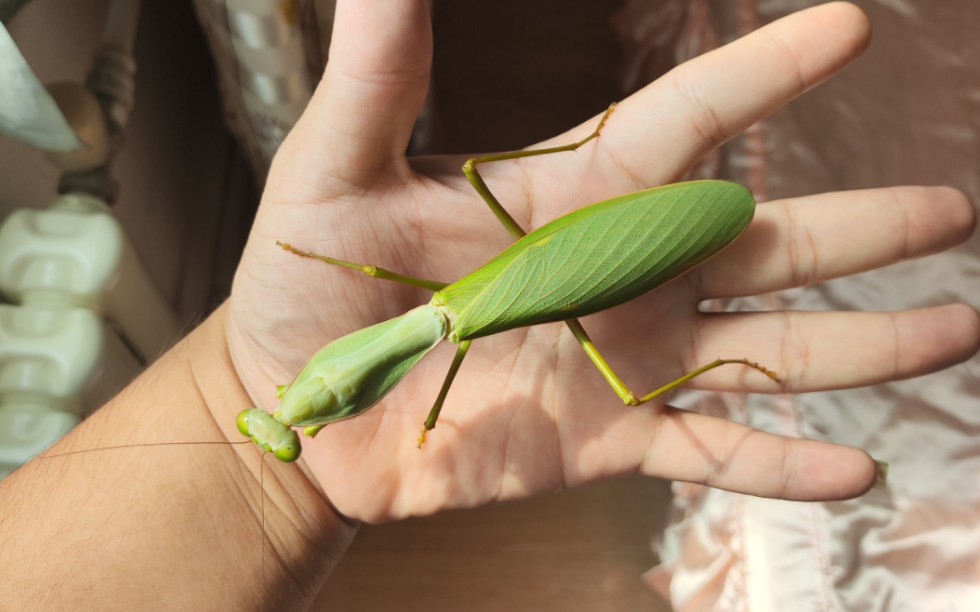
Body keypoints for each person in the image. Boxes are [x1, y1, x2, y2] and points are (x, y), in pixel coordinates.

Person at [1, 2, 976, 609]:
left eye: (292, 401)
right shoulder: (382, 342)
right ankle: (723, 360)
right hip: (541, 277)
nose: (298, 404)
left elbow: (334, 392)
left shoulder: (386, 372)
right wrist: (244, 401)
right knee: (496, 205)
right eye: (300, 408)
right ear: (325, 393)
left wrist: (247, 402)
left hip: (553, 267)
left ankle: (721, 358)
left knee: (520, 236)